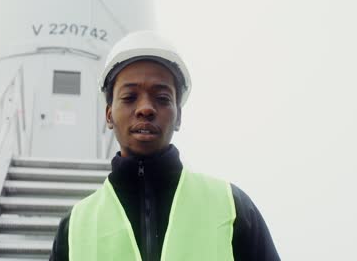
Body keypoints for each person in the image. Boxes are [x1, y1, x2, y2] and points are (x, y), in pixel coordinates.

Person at [50, 31, 280, 261]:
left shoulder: (233, 209)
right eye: (130, 97)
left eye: (162, 98)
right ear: (109, 115)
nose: (146, 109)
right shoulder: (74, 229)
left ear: (178, 116)